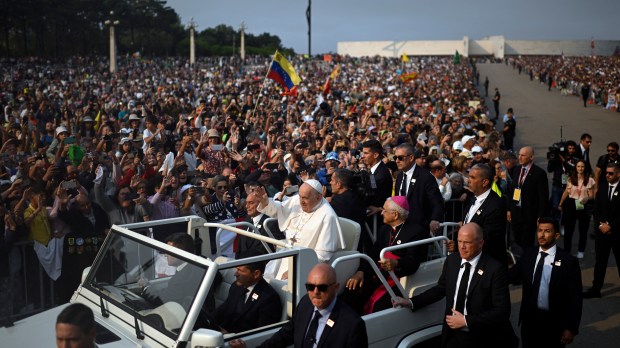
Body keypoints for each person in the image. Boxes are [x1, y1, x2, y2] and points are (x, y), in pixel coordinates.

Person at [392, 223, 517, 348]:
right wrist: (411, 302)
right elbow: (441, 289)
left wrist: (466, 321)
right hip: (453, 336)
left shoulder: (494, 269)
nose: (462, 247)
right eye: (459, 241)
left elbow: (502, 311)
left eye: (467, 242)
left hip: (482, 337)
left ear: (480, 243)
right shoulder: (452, 261)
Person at [229, 264, 368, 348]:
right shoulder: (305, 304)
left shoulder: (352, 325)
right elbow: (284, 336)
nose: (315, 292)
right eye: (310, 287)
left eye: (322, 287)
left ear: (336, 287)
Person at [344, 196, 429, 314]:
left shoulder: (416, 232)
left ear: (395, 215)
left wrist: (396, 263)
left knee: (379, 306)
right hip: (379, 276)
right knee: (350, 290)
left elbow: (413, 261)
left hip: (399, 280)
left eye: (384, 210)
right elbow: (373, 254)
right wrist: (361, 272)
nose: (382, 213)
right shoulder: (385, 229)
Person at [509, 217, 582, 348]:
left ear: (557, 235)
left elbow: (575, 298)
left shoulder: (568, 261)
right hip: (529, 321)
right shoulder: (529, 254)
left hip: (554, 324)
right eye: (539, 230)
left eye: (547, 231)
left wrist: (571, 328)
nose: (542, 235)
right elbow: (510, 276)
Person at [255, 180, 345, 276]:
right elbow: (278, 210)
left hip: (307, 265)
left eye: (305, 198)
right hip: (287, 254)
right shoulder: (296, 200)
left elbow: (323, 256)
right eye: (300, 196)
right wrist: (266, 202)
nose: (301, 202)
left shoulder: (328, 216)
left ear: (319, 197)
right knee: (266, 278)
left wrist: (296, 270)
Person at [211, 256, 282, 334]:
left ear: (256, 274)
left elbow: (262, 334)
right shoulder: (236, 286)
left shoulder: (269, 299)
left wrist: (229, 336)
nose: (235, 274)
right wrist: (208, 322)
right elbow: (224, 309)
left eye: (240, 271)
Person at [583, 163, 620, 298]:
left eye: (611, 173)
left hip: (616, 232)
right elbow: (597, 210)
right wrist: (601, 225)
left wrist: (610, 226)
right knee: (600, 262)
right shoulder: (603, 188)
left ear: (618, 174)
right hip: (602, 232)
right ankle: (595, 289)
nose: (607, 175)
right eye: (606, 173)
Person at [393, 143, 444, 236]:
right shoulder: (400, 177)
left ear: (411, 158)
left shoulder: (425, 177)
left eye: (400, 158)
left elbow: (437, 201)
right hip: (402, 227)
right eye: (395, 158)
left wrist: (434, 219)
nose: (397, 161)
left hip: (419, 228)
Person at [463, 164, 508, 266]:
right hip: (472, 261)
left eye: (472, 177)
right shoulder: (472, 199)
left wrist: (460, 246)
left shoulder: (495, 205)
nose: (468, 180)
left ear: (485, 182)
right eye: (468, 176)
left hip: (488, 264)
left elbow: (489, 237)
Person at [508, 146, 549, 249]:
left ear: (531, 157)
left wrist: (541, 216)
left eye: (523, 155)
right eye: (519, 155)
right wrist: (509, 209)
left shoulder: (539, 173)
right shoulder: (516, 170)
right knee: (516, 239)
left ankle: (527, 261)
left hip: (529, 214)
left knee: (527, 241)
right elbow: (512, 190)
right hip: (516, 212)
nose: (520, 157)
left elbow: (543, 197)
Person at [361, 139, 393, 251]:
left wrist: (379, 208)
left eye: (366, 153)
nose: (363, 156)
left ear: (375, 155)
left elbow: (374, 195)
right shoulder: (374, 171)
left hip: (377, 223)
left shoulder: (382, 173)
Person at [558, 160, 595, 257]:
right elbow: (567, 191)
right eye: (578, 166)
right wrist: (561, 203)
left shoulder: (589, 179)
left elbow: (591, 195)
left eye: (582, 166)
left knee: (583, 229)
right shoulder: (571, 178)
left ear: (585, 167)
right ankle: (567, 251)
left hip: (583, 205)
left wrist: (586, 198)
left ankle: (581, 251)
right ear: (576, 168)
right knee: (569, 230)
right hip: (571, 204)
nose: (580, 168)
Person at [327, 168, 366, 251]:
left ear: (338, 184)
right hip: (358, 247)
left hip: (342, 249)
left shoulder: (338, 202)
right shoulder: (357, 196)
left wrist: (322, 202)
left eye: (332, 180)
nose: (330, 183)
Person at [236, 191, 284, 259]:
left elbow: (280, 251)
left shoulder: (270, 223)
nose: (247, 206)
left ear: (260, 204)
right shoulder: (246, 221)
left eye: (251, 203)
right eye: (246, 203)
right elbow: (240, 248)